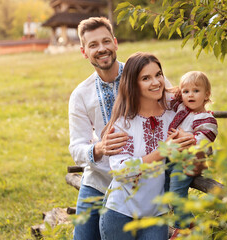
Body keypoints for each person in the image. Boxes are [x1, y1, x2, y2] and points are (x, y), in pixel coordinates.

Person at [99, 52, 195, 240]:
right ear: (133, 84)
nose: (156, 82)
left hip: (155, 215)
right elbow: (121, 169)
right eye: (146, 78)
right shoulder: (123, 123)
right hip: (120, 213)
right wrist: (161, 152)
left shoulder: (172, 117)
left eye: (158, 74)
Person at [68, 17, 129, 240]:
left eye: (106, 42)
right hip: (98, 181)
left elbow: (172, 105)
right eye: (93, 45)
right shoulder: (80, 95)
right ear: (84, 52)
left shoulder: (142, 75)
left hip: (139, 179)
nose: (101, 49)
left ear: (115, 42)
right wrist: (99, 148)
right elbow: (76, 148)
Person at [167, 71, 218, 238]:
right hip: (172, 159)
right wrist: (177, 90)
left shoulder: (206, 119)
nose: (190, 95)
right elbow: (169, 96)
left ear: (206, 94)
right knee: (165, 187)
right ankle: (189, 223)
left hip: (189, 162)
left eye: (196, 91)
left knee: (176, 193)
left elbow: (203, 142)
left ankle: (182, 227)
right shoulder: (182, 108)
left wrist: (186, 138)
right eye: (186, 91)